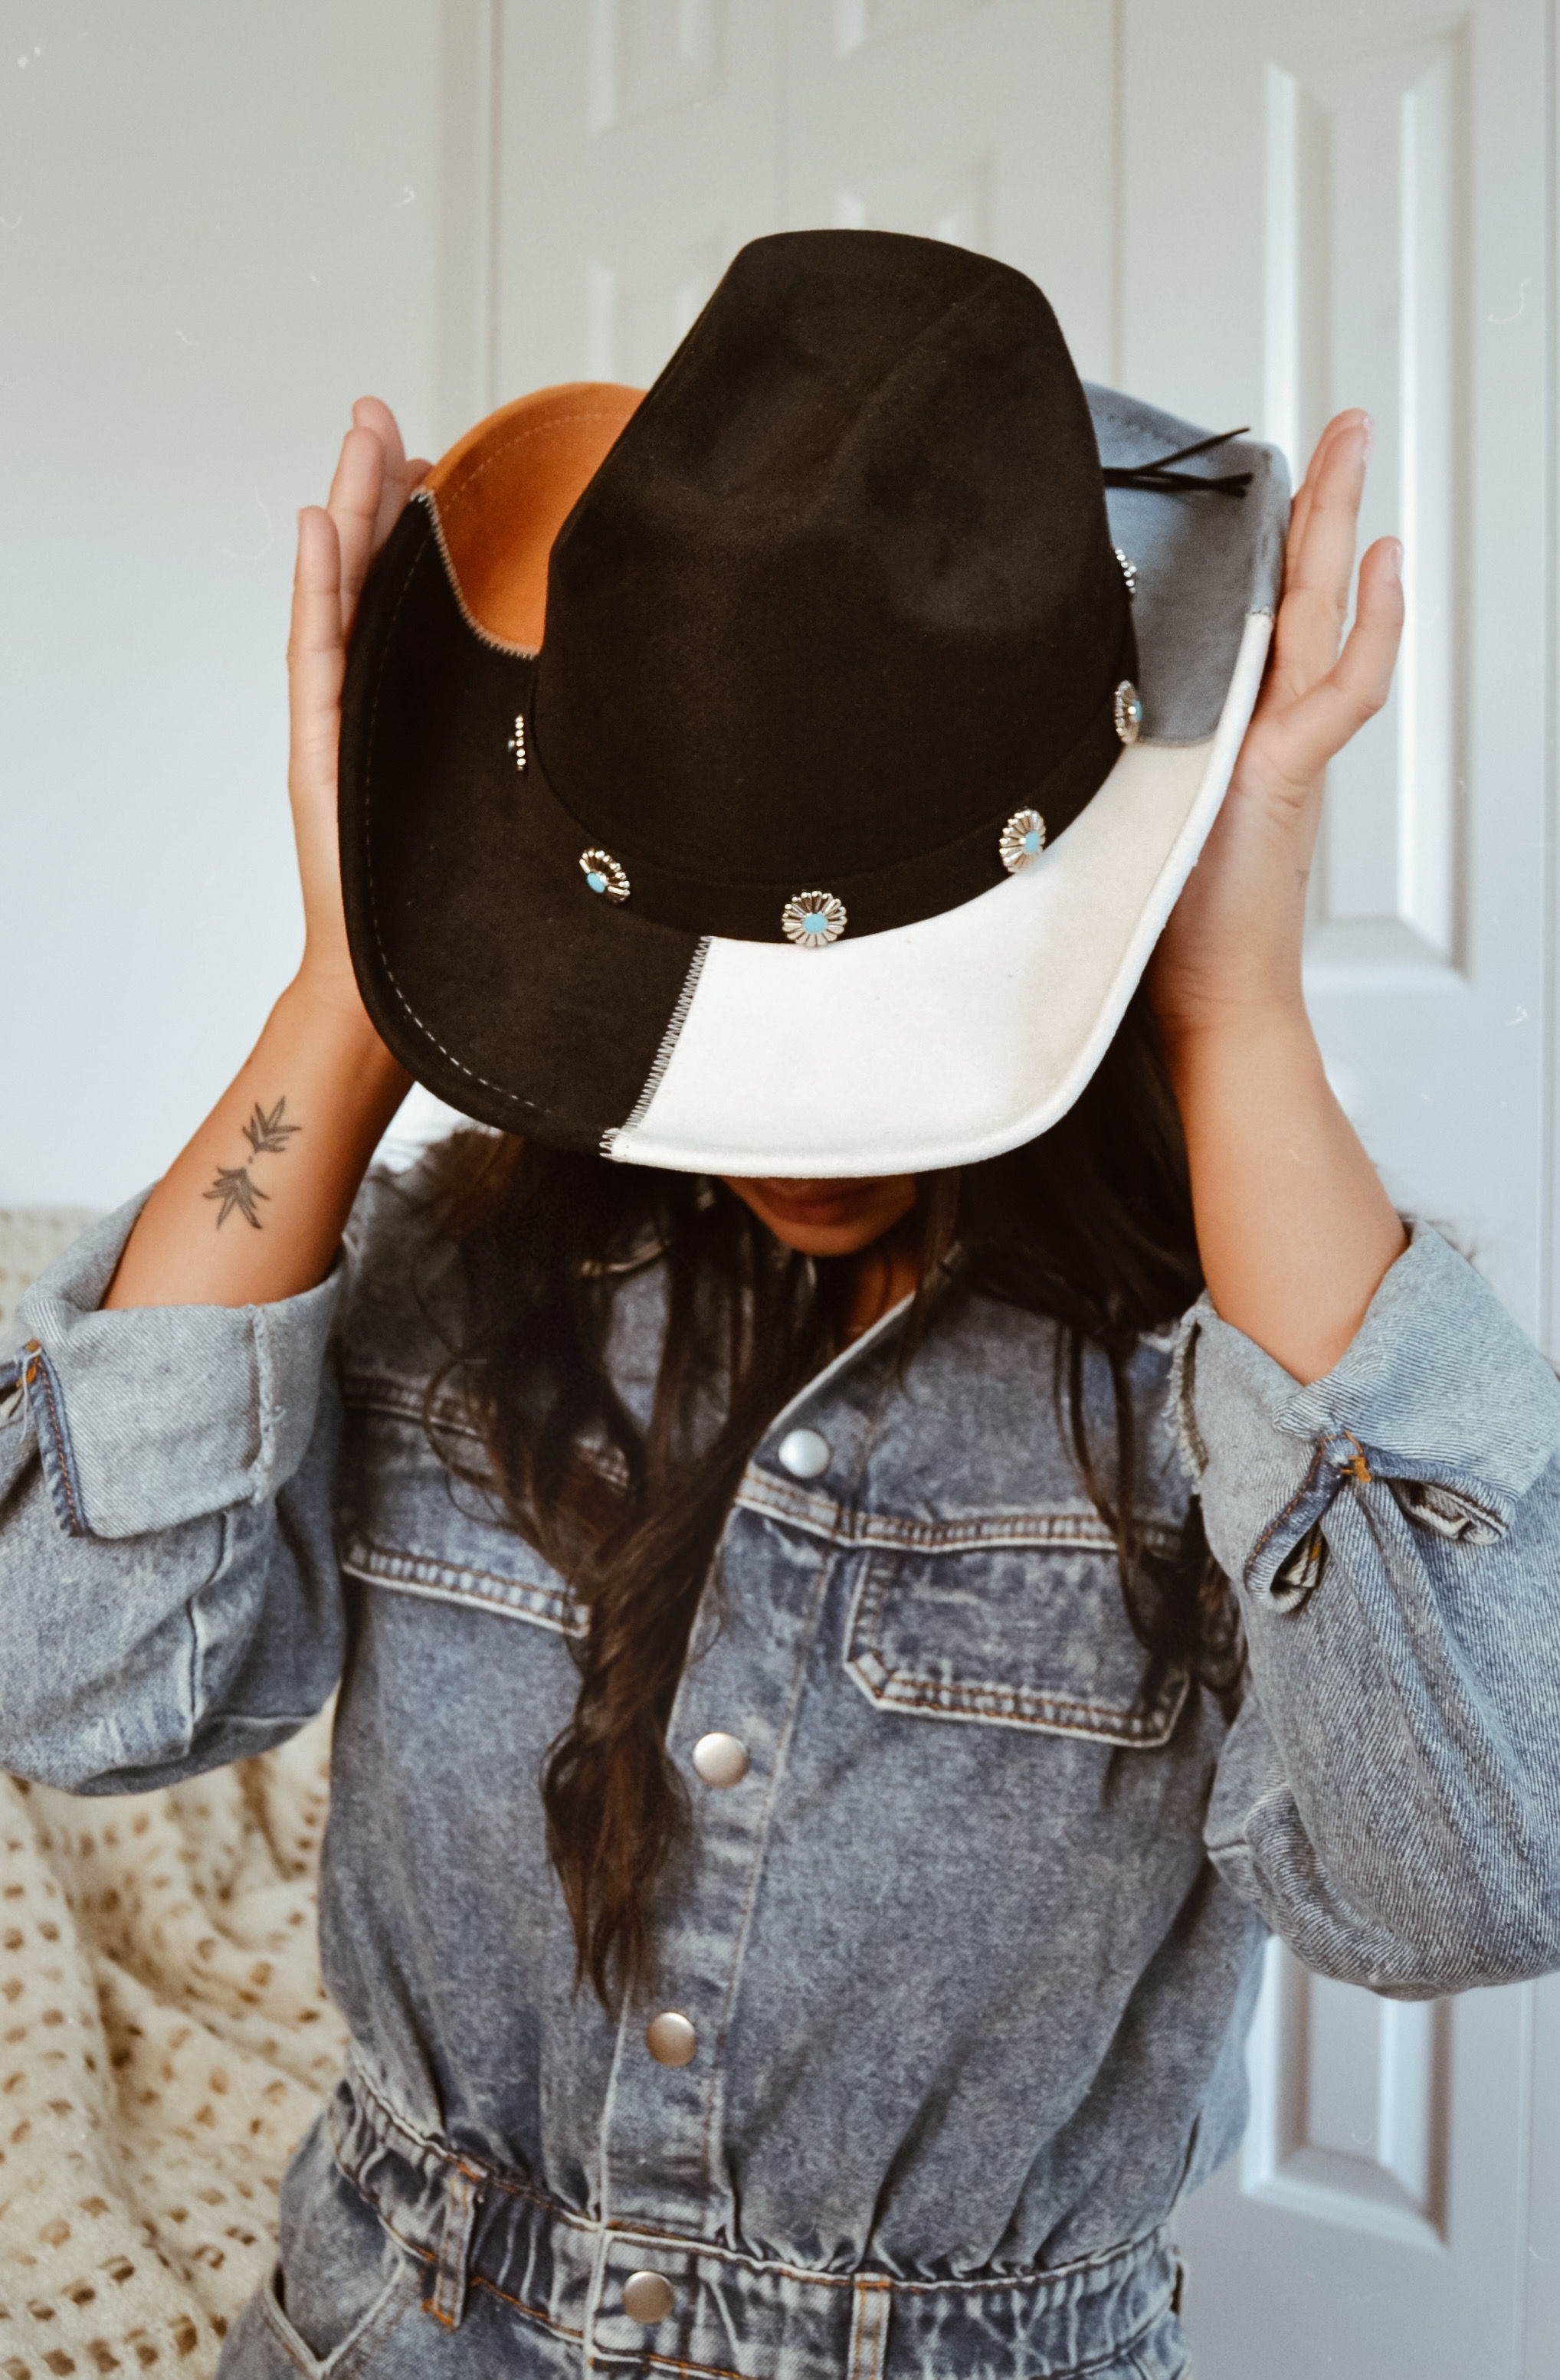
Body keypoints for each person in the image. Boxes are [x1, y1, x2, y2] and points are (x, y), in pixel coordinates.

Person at [4, 231, 1560, 2380]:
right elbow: (67, 1678)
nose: (807, 1110)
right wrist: (358, 968)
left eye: (890, 1000)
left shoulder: (1241, 1362)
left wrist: (1231, 999)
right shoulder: (457, 1274)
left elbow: (1465, 1870)